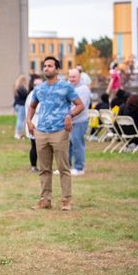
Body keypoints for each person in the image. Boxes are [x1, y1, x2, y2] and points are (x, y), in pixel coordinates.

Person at [26, 57, 85, 211]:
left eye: (50, 66)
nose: (46, 68)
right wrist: (29, 121)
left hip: (59, 131)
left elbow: (80, 105)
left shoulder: (66, 87)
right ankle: (45, 200)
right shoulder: (39, 89)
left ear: (57, 70)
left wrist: (69, 116)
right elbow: (32, 106)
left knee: (63, 168)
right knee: (44, 169)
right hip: (41, 132)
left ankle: (66, 201)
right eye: (45, 66)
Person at [67, 68, 91, 176]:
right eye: (70, 77)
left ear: (79, 77)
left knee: (77, 144)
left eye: (74, 77)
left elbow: (80, 106)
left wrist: (69, 115)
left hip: (79, 121)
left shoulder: (84, 89)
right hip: (69, 121)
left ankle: (79, 168)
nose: (71, 79)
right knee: (68, 146)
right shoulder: (69, 87)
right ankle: (66, 167)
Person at [25, 75, 43, 172]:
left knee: (38, 146)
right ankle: (34, 166)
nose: (38, 86)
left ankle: (37, 166)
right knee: (35, 146)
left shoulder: (39, 94)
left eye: (40, 84)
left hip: (37, 124)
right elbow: (37, 109)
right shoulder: (32, 95)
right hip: (34, 124)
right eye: (36, 84)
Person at [13, 74, 28, 139]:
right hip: (21, 105)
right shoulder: (22, 88)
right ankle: (18, 133)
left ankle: (19, 133)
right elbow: (25, 96)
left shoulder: (16, 87)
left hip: (17, 105)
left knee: (20, 120)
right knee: (20, 120)